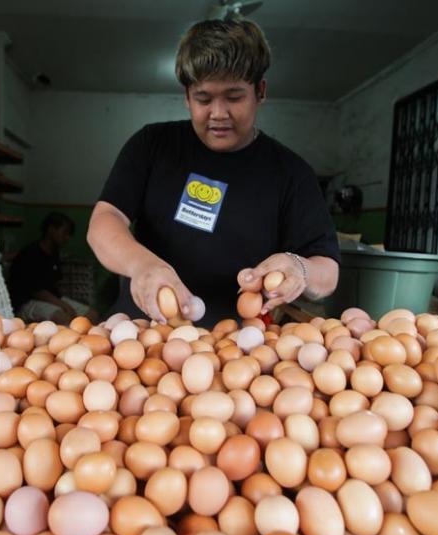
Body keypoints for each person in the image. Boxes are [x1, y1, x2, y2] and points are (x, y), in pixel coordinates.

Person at [87, 18, 339, 326]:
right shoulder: (152, 145)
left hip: (237, 348)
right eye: (203, 99)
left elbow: (327, 269)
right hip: (145, 332)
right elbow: (104, 221)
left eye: (234, 97)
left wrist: (299, 268)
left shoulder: (291, 173)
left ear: (260, 91)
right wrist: (143, 266)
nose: (218, 114)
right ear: (187, 95)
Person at [8, 212, 98, 324]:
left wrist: (64, 304)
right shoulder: (30, 254)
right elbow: (37, 292)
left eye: (69, 234)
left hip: (52, 299)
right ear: (51, 229)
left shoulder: (54, 253)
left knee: (91, 315)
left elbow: (54, 284)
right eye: (64, 233)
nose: (67, 237)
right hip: (26, 302)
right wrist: (64, 306)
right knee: (61, 316)